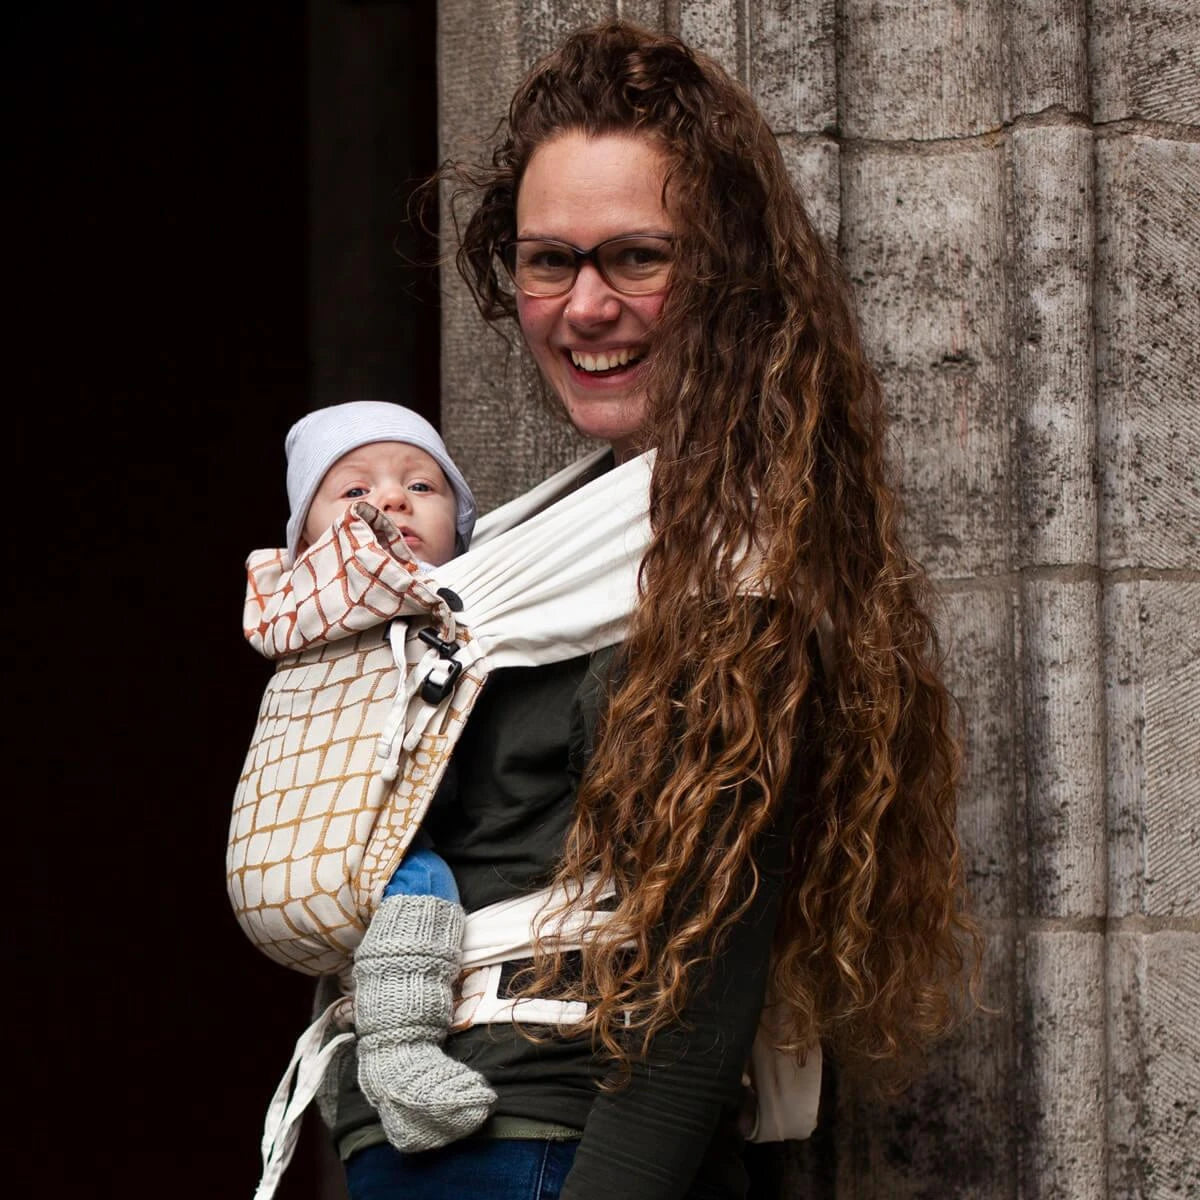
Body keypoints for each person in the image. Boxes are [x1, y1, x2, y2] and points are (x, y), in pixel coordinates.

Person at [319, 19, 980, 1200]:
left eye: (636, 257)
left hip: (548, 1155)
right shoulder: (529, 540)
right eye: (547, 261)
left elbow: (698, 998)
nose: (584, 307)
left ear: (727, 270)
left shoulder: (733, 566)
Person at [229, 399, 497, 1163]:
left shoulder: (295, 610)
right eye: (353, 492)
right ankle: (399, 1055)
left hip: (315, 841)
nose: (389, 501)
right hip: (352, 824)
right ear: (305, 535)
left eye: (423, 487)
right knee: (418, 889)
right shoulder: (343, 598)